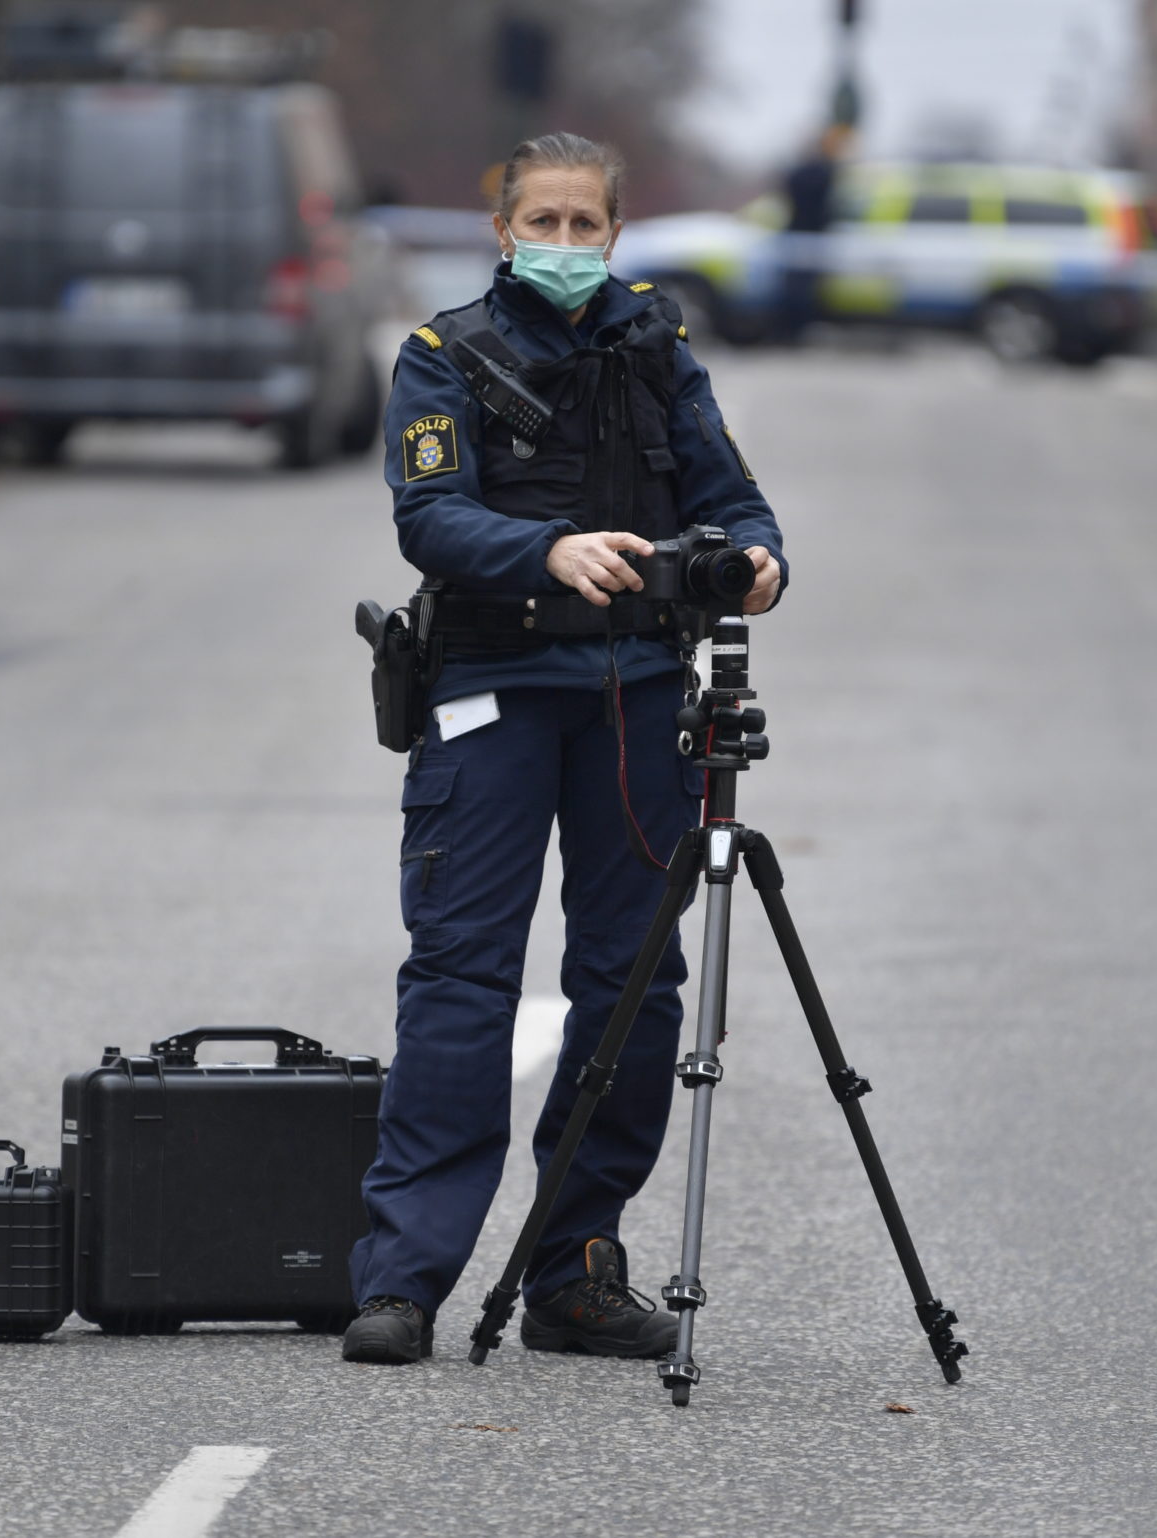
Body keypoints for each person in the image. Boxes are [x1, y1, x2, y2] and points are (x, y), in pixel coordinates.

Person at [343, 133, 787, 1365]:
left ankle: (575, 1266)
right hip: (489, 694)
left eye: (583, 224)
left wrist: (759, 564)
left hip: (635, 698)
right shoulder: (441, 358)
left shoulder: (659, 354)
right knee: (459, 983)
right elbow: (426, 515)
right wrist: (542, 551)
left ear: (613, 234)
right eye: (539, 220)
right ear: (500, 232)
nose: (561, 243)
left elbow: (738, 506)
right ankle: (403, 1279)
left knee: (635, 989)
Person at [775, 123, 851, 344]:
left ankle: (791, 331)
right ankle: (797, 330)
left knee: (795, 288)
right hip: (812, 237)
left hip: (798, 235)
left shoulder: (798, 172)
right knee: (804, 290)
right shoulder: (825, 173)